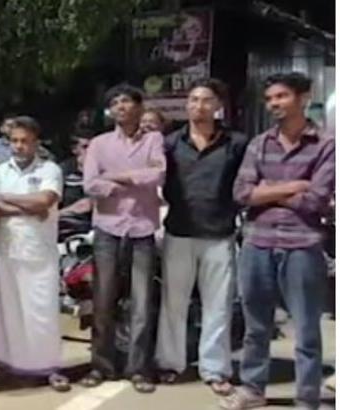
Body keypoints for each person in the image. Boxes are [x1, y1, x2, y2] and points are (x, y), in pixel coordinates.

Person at [221, 72, 334, 410]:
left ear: (304, 97)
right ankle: (252, 390)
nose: (273, 104)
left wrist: (267, 191)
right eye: (269, 99)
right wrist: (294, 186)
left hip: (303, 245)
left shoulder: (326, 145)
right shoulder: (259, 144)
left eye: (281, 96)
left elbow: (316, 200)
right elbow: (241, 193)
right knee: (256, 326)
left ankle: (307, 397)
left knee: (307, 328)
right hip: (258, 242)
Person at [155, 79, 248, 396]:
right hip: (179, 231)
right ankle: (170, 363)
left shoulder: (236, 143)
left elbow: (244, 184)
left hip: (219, 233)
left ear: (218, 105)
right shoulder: (170, 143)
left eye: (206, 100)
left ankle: (215, 369)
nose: (199, 106)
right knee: (173, 302)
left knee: (218, 305)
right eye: (193, 100)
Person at [79, 84, 165, 393]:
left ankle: (138, 368)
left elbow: (157, 175)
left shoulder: (154, 140)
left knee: (142, 303)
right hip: (108, 228)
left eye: (126, 101)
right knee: (103, 300)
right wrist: (131, 180)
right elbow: (91, 184)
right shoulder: (99, 144)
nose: (120, 107)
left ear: (139, 107)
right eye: (115, 103)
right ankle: (101, 366)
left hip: (142, 228)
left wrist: (115, 177)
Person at [0, 116, 70, 392]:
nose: (19, 146)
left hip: (38, 251)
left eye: (25, 141)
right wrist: (27, 207)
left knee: (41, 312)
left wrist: (7, 199)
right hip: (5, 249)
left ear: (36, 143)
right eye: (14, 141)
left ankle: (49, 367)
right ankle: (7, 364)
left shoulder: (50, 169)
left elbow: (45, 200)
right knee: (7, 312)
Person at [58, 133, 93, 233]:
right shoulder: (63, 170)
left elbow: (88, 204)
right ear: (75, 150)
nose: (90, 151)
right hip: (64, 222)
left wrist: (56, 215)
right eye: (85, 147)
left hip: (90, 225)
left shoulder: (104, 170)